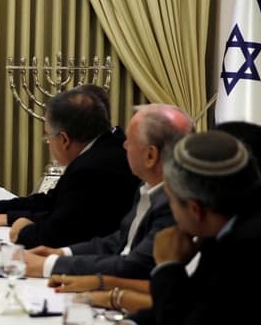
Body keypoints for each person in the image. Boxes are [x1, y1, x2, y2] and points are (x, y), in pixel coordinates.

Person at [100, 131, 261, 325]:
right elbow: (193, 304)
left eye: (171, 201)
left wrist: (167, 267)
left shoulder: (251, 245)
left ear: (195, 209)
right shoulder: (232, 223)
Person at [0, 86, 139, 248]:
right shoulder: (105, 148)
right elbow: (51, 201)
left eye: (48, 136)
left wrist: (22, 230)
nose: (48, 143)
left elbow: (56, 234)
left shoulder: (90, 168)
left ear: (64, 139)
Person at [25, 104, 192, 278]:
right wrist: (63, 253)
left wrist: (51, 265)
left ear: (150, 156)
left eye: (130, 141)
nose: (124, 146)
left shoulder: (173, 203)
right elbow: (120, 241)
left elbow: (134, 266)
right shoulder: (147, 186)